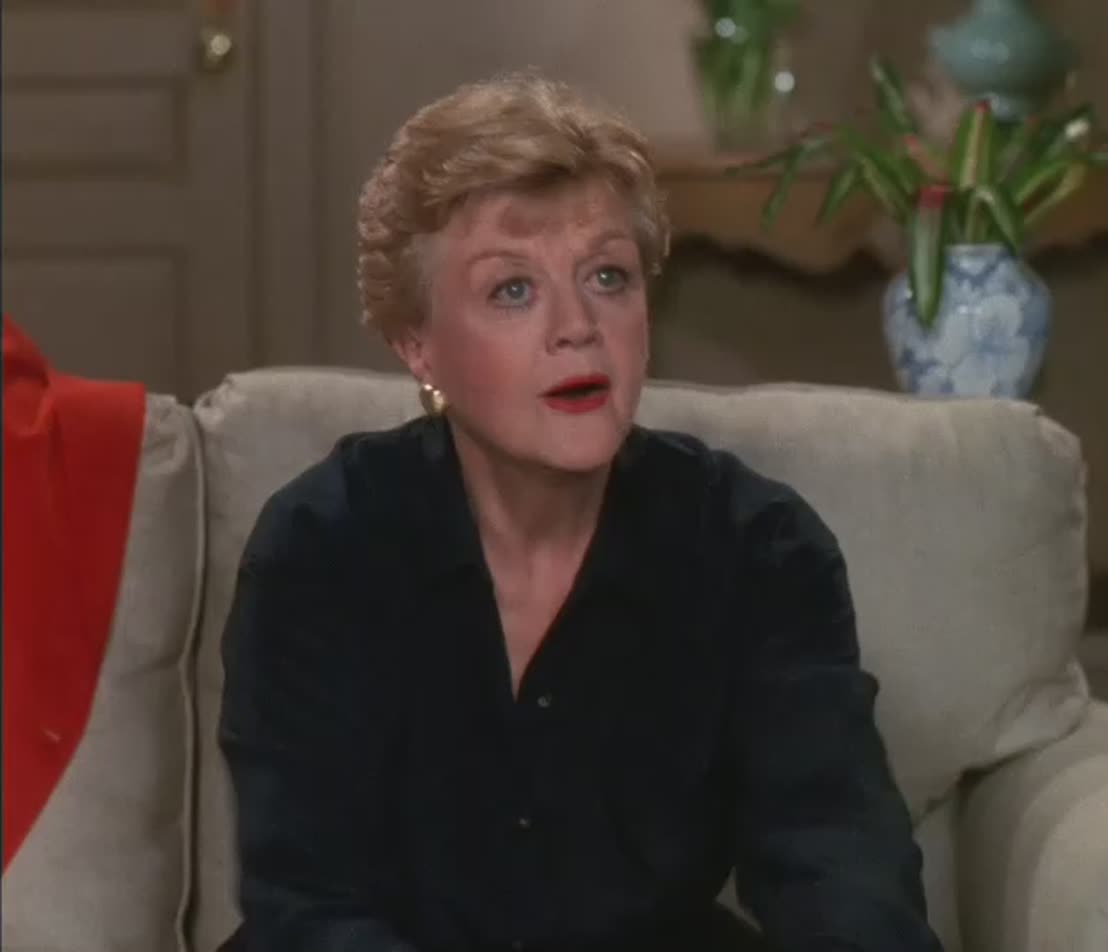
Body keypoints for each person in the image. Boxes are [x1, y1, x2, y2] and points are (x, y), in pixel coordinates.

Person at [218, 73, 943, 952]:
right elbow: (308, 907)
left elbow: (837, 855)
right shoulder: (323, 546)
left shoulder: (757, 548)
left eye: (607, 276)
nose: (577, 326)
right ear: (418, 343)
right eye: (512, 290)